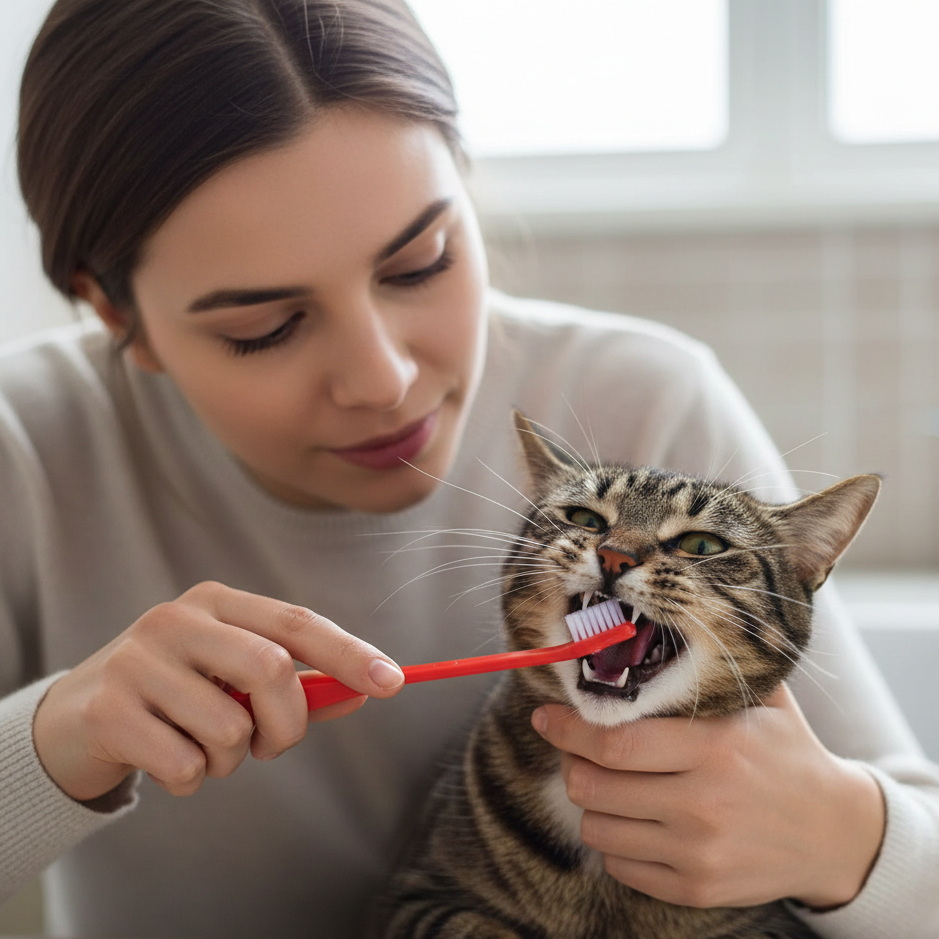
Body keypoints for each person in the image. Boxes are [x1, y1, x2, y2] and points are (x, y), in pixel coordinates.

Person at [0, 1, 936, 937]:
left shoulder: (643, 399)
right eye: (265, 327)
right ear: (112, 312)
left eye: (420, 263)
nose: (383, 380)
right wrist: (53, 739)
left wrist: (844, 837)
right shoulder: (25, 445)